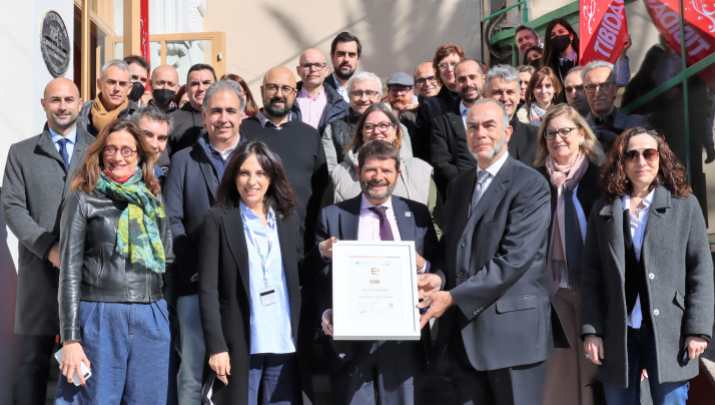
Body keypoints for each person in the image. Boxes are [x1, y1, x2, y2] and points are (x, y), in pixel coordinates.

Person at [420, 98, 553, 405]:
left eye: (489, 125)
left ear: (507, 132)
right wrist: (438, 278)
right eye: (473, 127)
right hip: (464, 338)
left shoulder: (530, 184)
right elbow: (451, 246)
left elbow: (514, 259)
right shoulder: (459, 185)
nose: (480, 133)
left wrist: (452, 297)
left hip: (513, 336)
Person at [582, 128, 714, 405]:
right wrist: (592, 331)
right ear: (621, 162)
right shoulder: (603, 209)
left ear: (661, 158)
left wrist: (697, 329)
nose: (641, 161)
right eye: (632, 155)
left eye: (649, 153)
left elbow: (700, 271)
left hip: (670, 330)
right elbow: (592, 276)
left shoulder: (685, 205)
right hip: (619, 330)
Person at [314, 139, 441, 405]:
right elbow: (317, 277)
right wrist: (327, 311)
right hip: (351, 343)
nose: (378, 177)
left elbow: (437, 266)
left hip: (403, 343)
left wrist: (424, 266)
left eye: (386, 170)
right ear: (359, 171)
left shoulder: (416, 214)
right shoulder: (332, 215)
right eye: (371, 170)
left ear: (398, 173)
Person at [55, 119, 172, 403]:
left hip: (150, 314)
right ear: (100, 153)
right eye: (111, 149)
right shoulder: (83, 198)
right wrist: (70, 338)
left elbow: (166, 257)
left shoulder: (152, 197)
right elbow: (68, 271)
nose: (118, 157)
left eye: (127, 151)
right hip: (100, 316)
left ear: (140, 156)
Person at [1, 78, 92, 405]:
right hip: (38, 275)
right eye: (55, 100)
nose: (63, 106)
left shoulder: (97, 149)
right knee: (31, 364)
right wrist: (47, 248)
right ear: (44, 104)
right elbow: (12, 207)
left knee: (86, 363)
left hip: (86, 276)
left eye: (69, 99)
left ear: (80, 104)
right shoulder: (22, 153)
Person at [199, 141, 302, 405]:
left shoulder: (287, 218)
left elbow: (296, 274)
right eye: (244, 173)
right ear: (234, 176)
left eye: (260, 173)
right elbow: (208, 289)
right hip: (241, 342)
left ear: (272, 177)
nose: (251, 181)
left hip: (283, 339)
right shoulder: (219, 219)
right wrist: (216, 346)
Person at [164, 80, 246, 405]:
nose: (222, 118)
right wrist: (195, 267)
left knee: (238, 372)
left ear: (242, 115)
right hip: (194, 286)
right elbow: (172, 219)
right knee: (191, 373)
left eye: (230, 110)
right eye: (215, 111)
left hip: (243, 290)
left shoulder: (257, 158)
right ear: (204, 113)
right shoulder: (184, 160)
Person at [532, 104, 606, 405]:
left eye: (565, 131)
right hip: (552, 287)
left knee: (594, 369)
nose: (558, 138)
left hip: (595, 287)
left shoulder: (602, 177)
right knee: (558, 374)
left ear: (581, 135)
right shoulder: (534, 180)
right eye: (551, 133)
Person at [332, 103, 433, 204]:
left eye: (384, 125)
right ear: (361, 133)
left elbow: (432, 216)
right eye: (369, 127)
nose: (376, 131)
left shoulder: (421, 170)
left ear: (395, 131)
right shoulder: (340, 173)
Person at [321, 72, 412, 173]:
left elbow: (406, 164)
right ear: (349, 96)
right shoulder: (333, 129)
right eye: (357, 93)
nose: (364, 99)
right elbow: (332, 171)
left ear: (379, 96)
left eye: (369, 93)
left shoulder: (398, 128)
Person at [430, 59, 484, 196]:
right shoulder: (441, 121)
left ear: (483, 77)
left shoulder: (500, 113)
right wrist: (468, 184)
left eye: (472, 77)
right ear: (456, 84)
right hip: (462, 194)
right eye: (462, 79)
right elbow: (441, 162)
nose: (468, 83)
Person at [413, 43, 465, 162]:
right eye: (443, 65)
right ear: (438, 72)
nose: (449, 69)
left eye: (453, 64)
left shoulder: (477, 98)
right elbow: (424, 147)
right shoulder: (430, 106)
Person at [582, 61, 648, 149]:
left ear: (615, 89)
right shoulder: (577, 130)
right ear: (584, 92)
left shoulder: (638, 124)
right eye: (591, 87)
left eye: (604, 85)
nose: (597, 93)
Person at [483, 64, 538, 165]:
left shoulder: (534, 135)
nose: (504, 98)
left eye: (510, 92)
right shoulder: (478, 135)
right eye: (498, 92)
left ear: (518, 97)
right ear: (486, 97)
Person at [294, 48, 348, 133]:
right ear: (298, 70)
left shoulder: (340, 106)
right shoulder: (287, 101)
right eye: (307, 65)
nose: (313, 69)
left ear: (326, 71)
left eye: (317, 65)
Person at [78, 60, 137, 136]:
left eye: (122, 84)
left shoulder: (137, 117)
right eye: (111, 82)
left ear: (129, 89)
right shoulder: (83, 112)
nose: (117, 89)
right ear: (99, 84)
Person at [169, 63, 217, 155]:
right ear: (187, 89)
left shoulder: (226, 117)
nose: (201, 88)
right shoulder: (171, 120)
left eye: (206, 83)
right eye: (195, 84)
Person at [131, 106, 172, 183]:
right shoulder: (114, 173)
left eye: (161, 138)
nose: (154, 145)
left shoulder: (163, 178)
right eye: (148, 135)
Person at [325, 32, 362, 102]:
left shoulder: (366, 90)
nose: (346, 59)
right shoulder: (319, 89)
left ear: (358, 59)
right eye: (341, 54)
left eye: (351, 55)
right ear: (332, 57)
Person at [543, 18, 579, 84]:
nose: (557, 35)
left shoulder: (583, 56)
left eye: (561, 32)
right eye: (553, 35)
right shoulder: (549, 67)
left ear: (571, 36)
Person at [386, 72, 418, 140]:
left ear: (412, 91)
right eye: (394, 90)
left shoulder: (421, 112)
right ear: (388, 92)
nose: (398, 94)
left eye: (403, 90)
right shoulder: (381, 112)